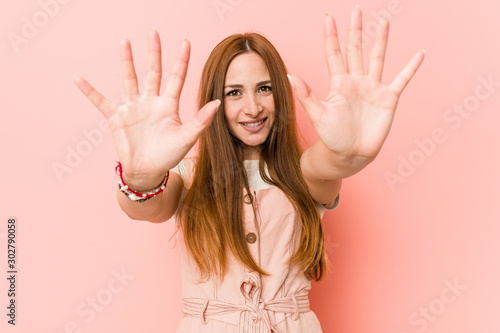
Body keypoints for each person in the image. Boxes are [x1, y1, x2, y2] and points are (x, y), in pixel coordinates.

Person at [73, 6, 424, 332]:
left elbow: (331, 163)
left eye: (264, 88)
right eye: (234, 93)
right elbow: (148, 207)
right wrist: (140, 177)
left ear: (280, 94)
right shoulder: (186, 174)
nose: (253, 107)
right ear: (215, 100)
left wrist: (350, 151)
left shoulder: (303, 172)